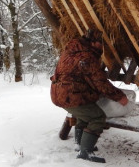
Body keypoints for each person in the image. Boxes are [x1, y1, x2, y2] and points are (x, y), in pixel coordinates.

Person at [50, 29, 128, 163]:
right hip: (70, 95)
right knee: (97, 117)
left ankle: (79, 144)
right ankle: (85, 152)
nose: (103, 47)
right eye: (101, 44)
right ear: (93, 43)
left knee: (84, 114)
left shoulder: (72, 50)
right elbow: (100, 82)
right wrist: (119, 97)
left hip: (60, 93)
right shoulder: (87, 58)